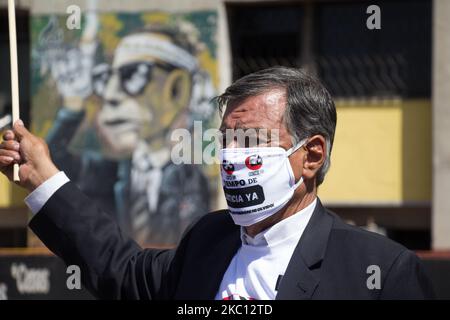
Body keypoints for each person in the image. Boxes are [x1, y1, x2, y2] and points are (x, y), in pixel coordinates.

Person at [0, 67, 434, 299]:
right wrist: (43, 178)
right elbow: (122, 270)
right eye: (225, 142)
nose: (230, 158)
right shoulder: (208, 241)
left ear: (311, 155)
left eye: (250, 141)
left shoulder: (379, 273)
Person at [38, 19, 214, 244]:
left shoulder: (191, 180)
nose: (110, 94)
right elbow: (50, 164)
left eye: (134, 75)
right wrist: (73, 106)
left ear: (178, 89)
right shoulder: (106, 173)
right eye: (106, 77)